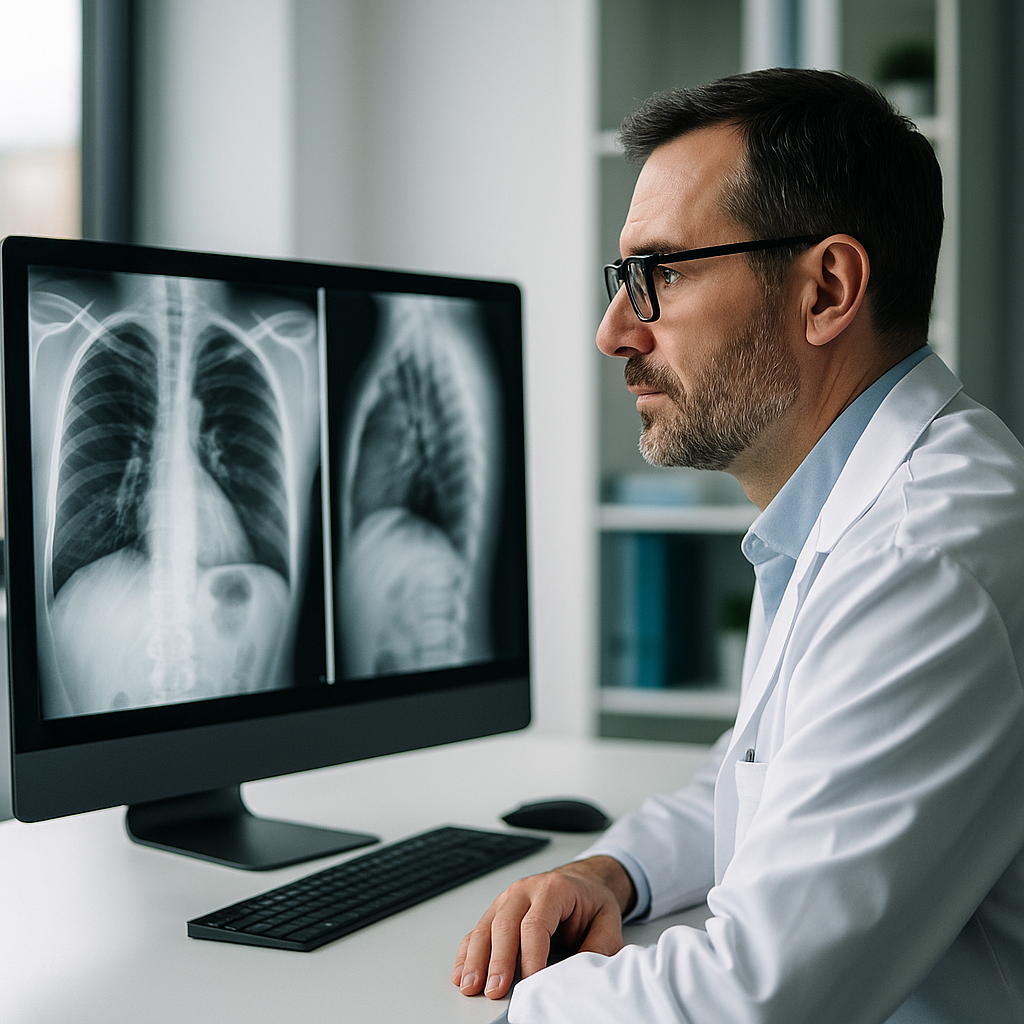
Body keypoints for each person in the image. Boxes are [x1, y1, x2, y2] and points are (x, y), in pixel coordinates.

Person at [451, 68, 1024, 1024]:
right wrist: (616, 871)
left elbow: (748, 1001)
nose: (613, 331)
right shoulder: (850, 505)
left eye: (661, 274)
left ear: (828, 288)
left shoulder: (925, 559)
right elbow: (762, 772)